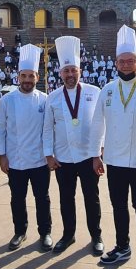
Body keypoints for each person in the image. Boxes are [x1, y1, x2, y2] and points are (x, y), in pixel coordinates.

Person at [90, 25, 136, 269]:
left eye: (130, 61)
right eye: (122, 61)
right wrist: (96, 154)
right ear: (115, 62)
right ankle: (122, 246)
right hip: (114, 161)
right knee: (118, 206)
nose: (126, 64)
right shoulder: (107, 89)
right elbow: (98, 124)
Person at [43, 36, 103, 255]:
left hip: (88, 156)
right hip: (63, 158)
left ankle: (96, 236)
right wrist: (48, 155)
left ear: (80, 71)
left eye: (73, 70)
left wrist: (99, 151)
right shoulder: (53, 97)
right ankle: (68, 235)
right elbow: (47, 128)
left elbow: (101, 124)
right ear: (60, 73)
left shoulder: (94, 92)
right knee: (66, 199)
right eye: (66, 71)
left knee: (91, 198)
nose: (70, 75)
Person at [0, 44, 52, 252]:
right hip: (15, 160)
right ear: (18, 76)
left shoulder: (45, 100)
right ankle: (20, 231)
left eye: (31, 76)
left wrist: (49, 156)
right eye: (24, 76)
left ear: (38, 77)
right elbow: (0, 130)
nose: (28, 80)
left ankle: (45, 232)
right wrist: (2, 156)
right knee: (17, 199)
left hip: (39, 160)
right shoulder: (7, 100)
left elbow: (48, 131)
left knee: (42, 198)